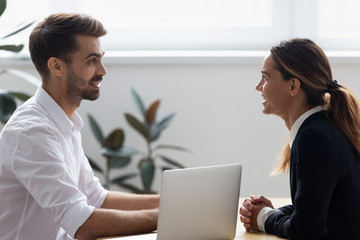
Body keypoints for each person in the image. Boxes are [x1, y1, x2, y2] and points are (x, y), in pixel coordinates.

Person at [0, 13, 159, 240]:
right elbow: (83, 224)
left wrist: (173, 202)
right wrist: (164, 215)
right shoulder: (31, 132)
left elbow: (95, 198)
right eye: (92, 60)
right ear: (56, 66)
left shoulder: (62, 122)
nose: (103, 70)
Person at [239, 38, 360, 239]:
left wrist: (264, 218)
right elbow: (323, 207)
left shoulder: (314, 138)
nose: (258, 86)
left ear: (293, 86)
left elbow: (306, 229)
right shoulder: (326, 127)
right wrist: (272, 213)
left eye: (265, 78)